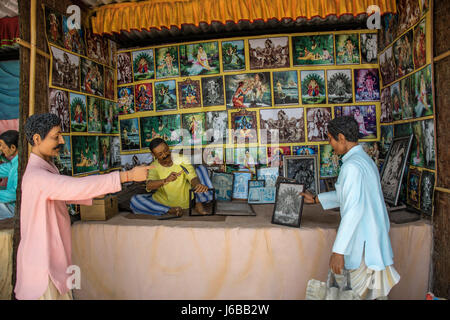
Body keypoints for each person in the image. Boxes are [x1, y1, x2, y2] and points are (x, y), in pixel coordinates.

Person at [15, 113, 154, 300]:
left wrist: (100, 191)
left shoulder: (47, 170)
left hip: (51, 259)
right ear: (37, 139)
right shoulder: (37, 177)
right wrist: (126, 176)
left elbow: (69, 192)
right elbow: (72, 187)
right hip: (42, 264)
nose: (62, 141)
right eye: (56, 136)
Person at [300, 116, 400, 300]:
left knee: (353, 294)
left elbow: (353, 209)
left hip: (363, 246)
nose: (330, 144)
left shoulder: (352, 167)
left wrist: (338, 251)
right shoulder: (365, 161)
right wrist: (316, 199)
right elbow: (348, 195)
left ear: (341, 138)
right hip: (373, 241)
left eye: (330, 139)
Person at [130, 138, 213, 217]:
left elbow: (192, 177)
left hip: (186, 201)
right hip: (163, 202)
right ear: (153, 154)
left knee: (201, 169)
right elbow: (149, 185)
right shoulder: (153, 166)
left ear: (168, 146)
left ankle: (198, 202)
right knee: (135, 200)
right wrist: (165, 180)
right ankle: (169, 210)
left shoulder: (181, 158)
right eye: (160, 154)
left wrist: (198, 185)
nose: (165, 155)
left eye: (166, 150)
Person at [0, 130, 19, 220]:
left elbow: (16, 193)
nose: (1, 149)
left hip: (15, 209)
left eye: (3, 147)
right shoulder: (14, 163)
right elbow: (2, 169)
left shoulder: (20, 166)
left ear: (13, 147)